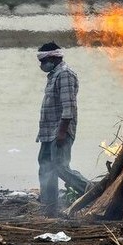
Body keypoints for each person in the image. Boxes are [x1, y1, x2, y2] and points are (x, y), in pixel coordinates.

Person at [35, 42, 90, 217]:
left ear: (53, 57)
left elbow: (69, 108)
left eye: (43, 60)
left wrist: (61, 132)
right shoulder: (54, 75)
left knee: (60, 167)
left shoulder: (65, 74)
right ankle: (49, 207)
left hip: (59, 132)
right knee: (45, 167)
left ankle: (91, 191)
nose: (42, 64)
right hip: (47, 132)